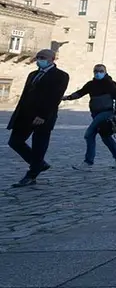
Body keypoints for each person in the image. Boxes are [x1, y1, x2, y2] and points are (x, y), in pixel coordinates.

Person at [6, 49, 69, 187]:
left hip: (43, 117)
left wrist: (43, 115)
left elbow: (55, 97)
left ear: (52, 59)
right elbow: (25, 96)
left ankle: (32, 174)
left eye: (43, 57)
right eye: (38, 57)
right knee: (15, 141)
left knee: (39, 145)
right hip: (25, 115)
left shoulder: (61, 76)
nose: (39, 59)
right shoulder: (33, 74)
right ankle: (39, 163)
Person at [64, 64, 116, 170]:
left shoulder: (110, 84)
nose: (98, 73)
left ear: (105, 71)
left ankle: (88, 162)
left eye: (100, 71)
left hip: (106, 113)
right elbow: (80, 93)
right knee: (105, 137)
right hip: (95, 113)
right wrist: (67, 97)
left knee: (89, 135)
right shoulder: (91, 84)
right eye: (96, 71)